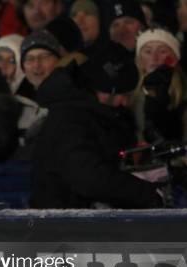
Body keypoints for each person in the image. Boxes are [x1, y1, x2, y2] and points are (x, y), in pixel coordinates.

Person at [30, 42, 163, 208]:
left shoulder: (95, 114)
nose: (125, 102)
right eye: (123, 94)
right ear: (108, 90)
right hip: (65, 224)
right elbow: (90, 178)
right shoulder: (69, 120)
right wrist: (149, 195)